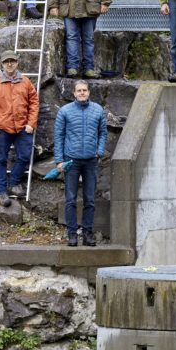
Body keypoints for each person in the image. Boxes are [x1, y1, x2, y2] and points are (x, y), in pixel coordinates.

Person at [0, 51, 39, 208]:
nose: (10, 64)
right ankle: (1, 191)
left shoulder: (25, 81)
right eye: (7, 61)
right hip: (2, 128)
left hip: (22, 127)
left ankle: (14, 182)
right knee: (1, 159)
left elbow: (34, 102)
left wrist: (30, 123)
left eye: (12, 61)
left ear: (17, 63)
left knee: (25, 156)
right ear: (2, 64)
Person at [54, 80, 107, 247]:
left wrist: (99, 151)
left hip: (91, 160)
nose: (82, 93)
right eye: (79, 90)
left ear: (89, 92)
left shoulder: (98, 110)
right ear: (74, 93)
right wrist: (59, 160)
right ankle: (71, 234)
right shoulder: (64, 111)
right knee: (70, 199)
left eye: (85, 90)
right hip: (71, 161)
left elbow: (103, 133)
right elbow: (59, 136)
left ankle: (87, 233)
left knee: (90, 200)